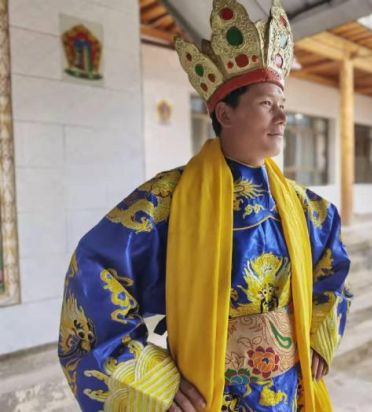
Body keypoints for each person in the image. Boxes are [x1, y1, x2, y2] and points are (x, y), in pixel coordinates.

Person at [57, 0, 352, 410]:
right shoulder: (168, 199)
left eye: (283, 106)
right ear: (225, 114)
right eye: (267, 104)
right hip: (210, 391)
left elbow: (332, 273)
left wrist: (320, 335)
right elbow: (94, 274)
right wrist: (149, 375)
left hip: (289, 389)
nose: (282, 118)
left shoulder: (308, 209)